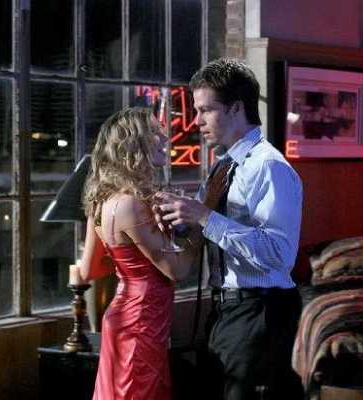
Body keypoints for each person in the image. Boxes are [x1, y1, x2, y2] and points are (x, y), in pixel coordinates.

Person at [153, 58, 304, 400]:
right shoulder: (223, 166)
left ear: (236, 108)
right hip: (225, 312)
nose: (196, 121)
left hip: (261, 313)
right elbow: (208, 228)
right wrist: (180, 223)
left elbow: (280, 254)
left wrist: (205, 217)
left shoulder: (269, 167)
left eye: (206, 110)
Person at [80, 107, 198, 400]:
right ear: (134, 143)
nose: (165, 138)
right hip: (141, 323)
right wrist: (200, 227)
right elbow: (177, 271)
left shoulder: (101, 202)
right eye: (155, 133)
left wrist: (133, 257)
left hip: (127, 318)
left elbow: (90, 270)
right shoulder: (131, 204)